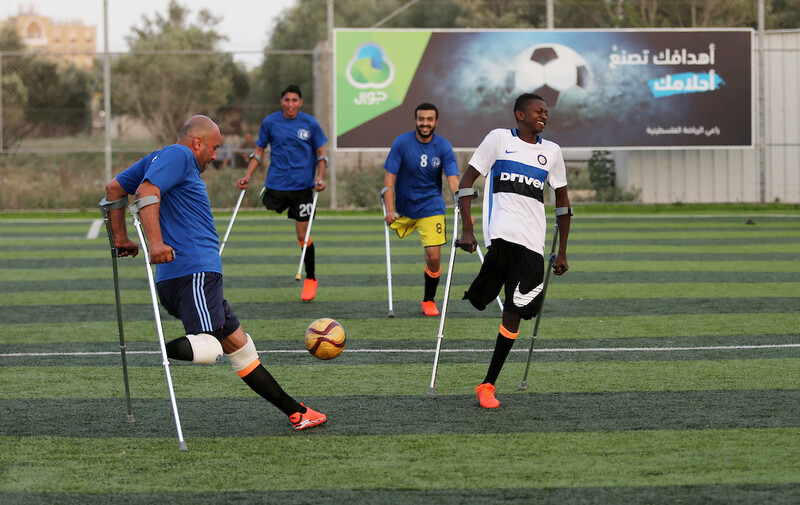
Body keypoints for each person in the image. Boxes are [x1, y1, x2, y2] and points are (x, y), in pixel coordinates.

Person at [104, 115, 326, 431]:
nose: (215, 155)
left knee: (240, 346)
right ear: (197, 142)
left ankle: (297, 412)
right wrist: (155, 243)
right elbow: (145, 190)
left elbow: (115, 188)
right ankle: (161, 351)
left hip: (193, 276)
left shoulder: (160, 158)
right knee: (209, 348)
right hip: (193, 272)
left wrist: (121, 239)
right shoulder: (179, 155)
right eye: (214, 147)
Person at [457, 93, 571, 409]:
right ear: (519, 114)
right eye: (538, 111)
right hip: (502, 236)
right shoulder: (497, 139)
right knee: (480, 298)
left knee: (517, 309)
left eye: (546, 112)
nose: (544, 116)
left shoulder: (552, 152)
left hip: (533, 244)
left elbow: (563, 203)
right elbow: (466, 181)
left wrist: (561, 251)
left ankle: (487, 384)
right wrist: (467, 229)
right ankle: (487, 380)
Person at [237, 85, 328, 301]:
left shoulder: (310, 124)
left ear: (301, 102)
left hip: (303, 187)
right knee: (266, 200)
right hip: (276, 185)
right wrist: (247, 176)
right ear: (281, 101)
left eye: (294, 100)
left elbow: (322, 156)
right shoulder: (270, 122)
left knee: (302, 235)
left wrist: (320, 177)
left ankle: (311, 278)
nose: (290, 104)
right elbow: (258, 152)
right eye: (286, 100)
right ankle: (271, 195)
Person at [382, 102, 459, 317]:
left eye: (429, 119)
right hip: (404, 207)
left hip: (431, 205)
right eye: (421, 119)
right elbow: (389, 178)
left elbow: (452, 179)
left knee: (433, 258)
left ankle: (428, 300)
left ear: (436, 121)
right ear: (416, 120)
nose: (425, 123)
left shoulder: (443, 146)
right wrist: (389, 209)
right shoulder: (401, 142)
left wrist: (459, 200)